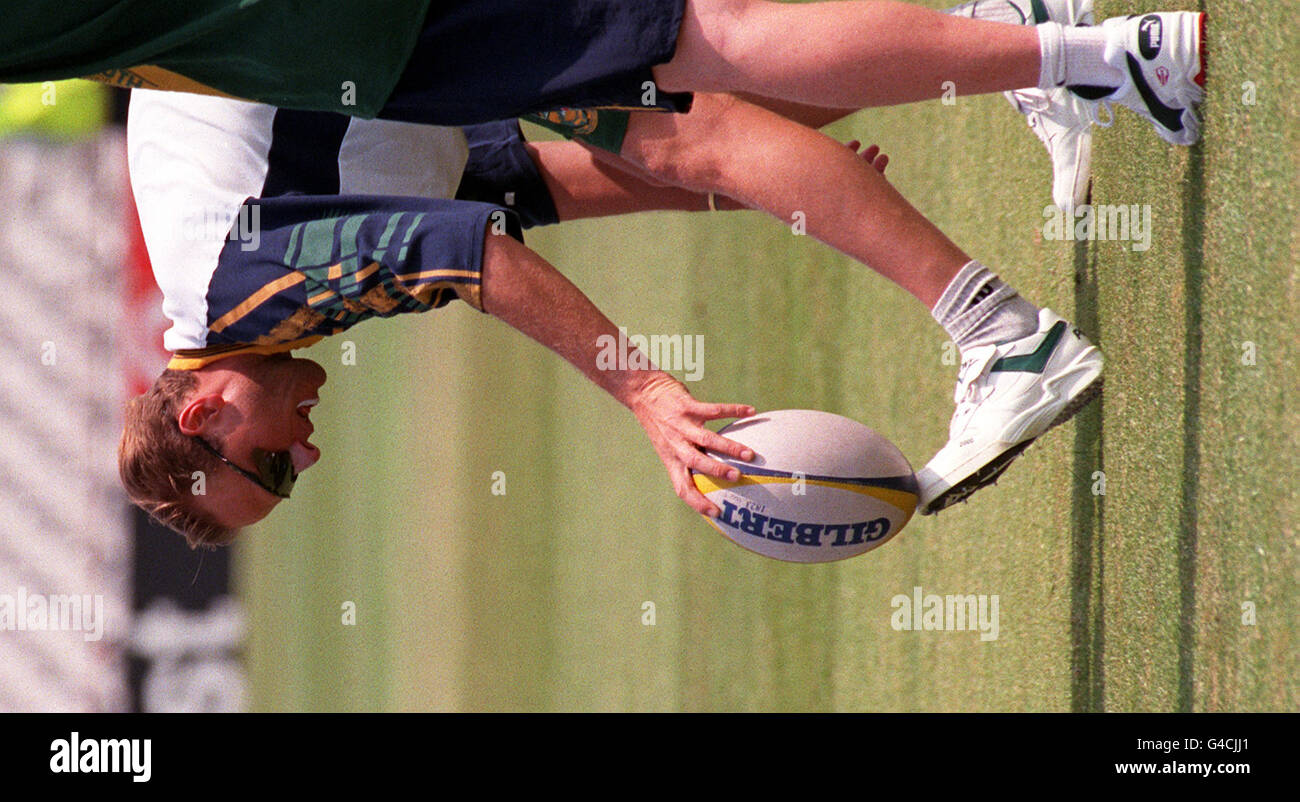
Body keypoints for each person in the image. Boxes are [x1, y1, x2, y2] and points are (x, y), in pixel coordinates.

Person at [117, 0, 1206, 545]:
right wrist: (769, 187)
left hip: (383, 23)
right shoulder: (251, 293)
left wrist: (646, 393)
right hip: (387, 38)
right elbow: (518, 188)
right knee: (694, 108)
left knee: (694, 81)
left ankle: (1016, 317)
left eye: (276, 465)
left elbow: (469, 255)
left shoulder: (241, 289)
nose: (307, 447)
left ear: (208, 410)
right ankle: (1013, 39)